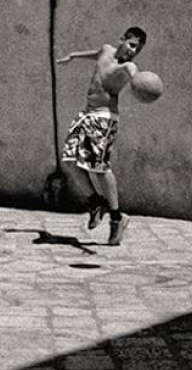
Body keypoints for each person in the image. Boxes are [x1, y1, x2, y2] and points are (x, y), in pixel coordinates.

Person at [56, 26, 147, 245]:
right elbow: (96, 53)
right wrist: (74, 56)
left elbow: (136, 76)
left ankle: (116, 217)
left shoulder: (128, 66)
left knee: (99, 168)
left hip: (104, 118)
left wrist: (142, 83)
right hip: (87, 114)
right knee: (69, 162)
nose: (134, 51)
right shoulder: (106, 50)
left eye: (138, 49)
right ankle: (96, 203)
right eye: (132, 44)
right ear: (122, 40)